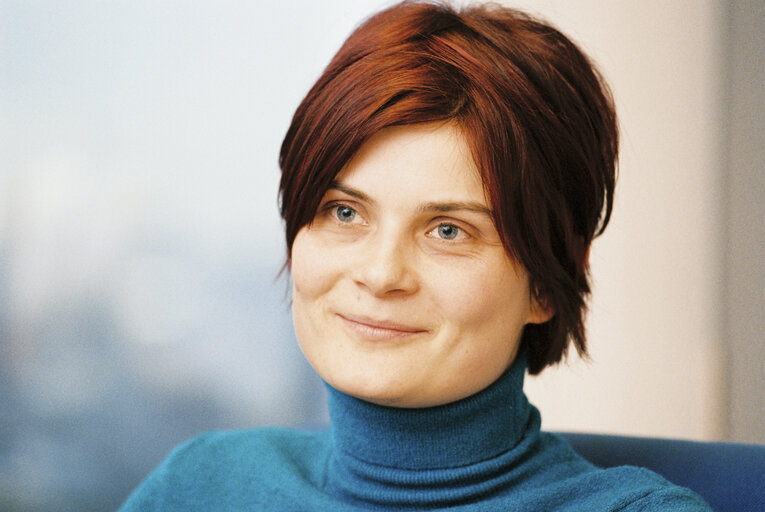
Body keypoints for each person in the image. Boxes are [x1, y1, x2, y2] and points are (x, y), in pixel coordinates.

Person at [120, 1, 712, 510]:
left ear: (548, 284)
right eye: (344, 212)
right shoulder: (202, 486)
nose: (380, 275)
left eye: (449, 231)